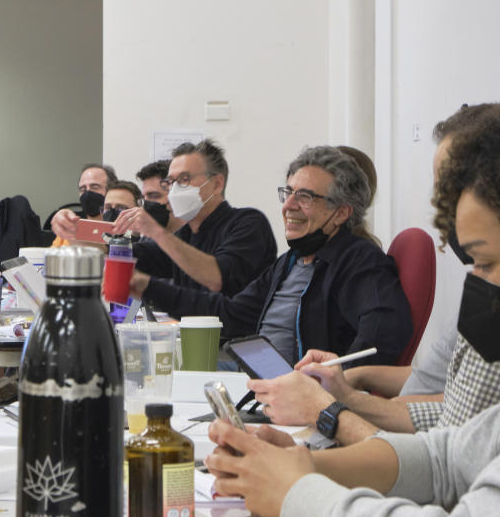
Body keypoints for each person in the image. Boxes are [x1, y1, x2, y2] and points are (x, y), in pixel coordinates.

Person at [204, 110, 500, 517]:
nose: (476, 277)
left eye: (486, 262)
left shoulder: (358, 261)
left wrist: (300, 486)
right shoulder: (288, 261)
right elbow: (448, 456)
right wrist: (303, 465)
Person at [249, 105, 500, 445]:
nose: (440, 207)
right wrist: (348, 388)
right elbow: (447, 402)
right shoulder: (481, 293)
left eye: (452, 190)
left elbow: (449, 460)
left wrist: (330, 414)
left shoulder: (359, 261)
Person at [132, 146, 412, 365]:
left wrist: (333, 385)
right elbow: (229, 314)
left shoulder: (358, 260)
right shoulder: (290, 262)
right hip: (259, 380)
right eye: (288, 193)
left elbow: (381, 337)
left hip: (295, 399)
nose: (288, 206)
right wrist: (145, 287)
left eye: (305, 197)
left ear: (341, 212)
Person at [117, 140, 277, 295]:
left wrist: (156, 231)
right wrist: (102, 242)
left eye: (184, 179)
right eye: (171, 182)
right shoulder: (186, 233)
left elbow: (217, 278)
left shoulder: (249, 223)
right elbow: (145, 255)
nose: (174, 190)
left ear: (217, 184)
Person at [49, 163, 118, 246]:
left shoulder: (121, 228)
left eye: (95, 187)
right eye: (83, 189)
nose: (87, 192)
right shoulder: (71, 228)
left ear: (112, 190)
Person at [135, 160, 183, 233]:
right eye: (143, 198)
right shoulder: (148, 239)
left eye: (154, 196)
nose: (146, 204)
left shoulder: (199, 240)